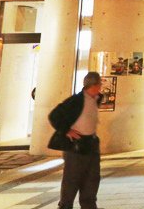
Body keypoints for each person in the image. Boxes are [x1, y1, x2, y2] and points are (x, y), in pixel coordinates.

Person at [48, 71, 103, 209]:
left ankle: (89, 205)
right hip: (76, 146)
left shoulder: (96, 98)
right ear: (93, 85)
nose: (101, 87)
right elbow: (54, 115)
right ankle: (65, 206)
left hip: (91, 144)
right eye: (99, 84)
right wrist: (67, 130)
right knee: (72, 180)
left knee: (92, 178)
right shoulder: (76, 100)